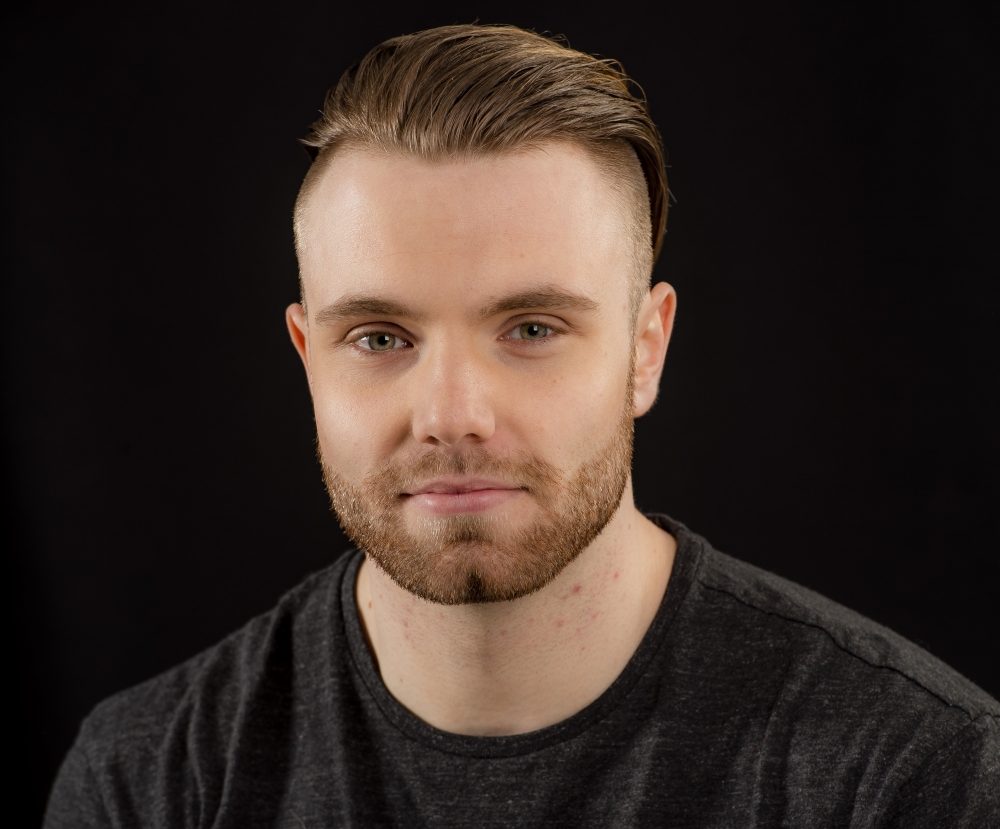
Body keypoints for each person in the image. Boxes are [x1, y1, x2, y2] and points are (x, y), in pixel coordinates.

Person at [44, 23, 998, 828]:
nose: (451, 416)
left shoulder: (912, 776)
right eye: (379, 337)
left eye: (532, 328)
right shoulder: (150, 782)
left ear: (646, 349)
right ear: (307, 356)